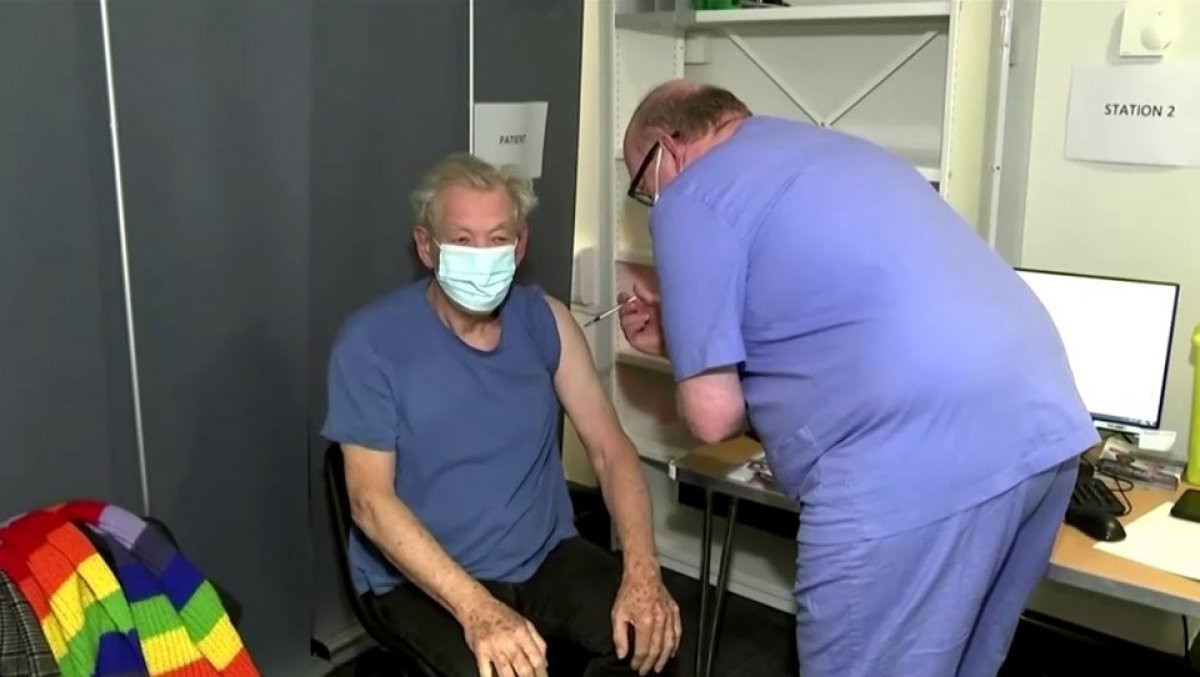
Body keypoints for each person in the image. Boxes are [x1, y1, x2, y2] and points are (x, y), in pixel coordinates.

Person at [617, 80, 1098, 677]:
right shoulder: (836, 151)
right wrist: (682, 339)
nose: (652, 201)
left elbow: (712, 416)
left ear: (669, 146)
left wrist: (691, 363)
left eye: (643, 184)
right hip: (1044, 430)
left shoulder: (691, 194)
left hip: (914, 458)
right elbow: (836, 318)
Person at [323, 153, 682, 677]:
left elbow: (610, 450)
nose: (482, 255)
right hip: (425, 578)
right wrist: (477, 609)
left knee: (650, 639)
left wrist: (643, 572)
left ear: (520, 245)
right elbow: (370, 502)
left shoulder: (546, 321)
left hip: (544, 557)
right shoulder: (371, 343)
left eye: (497, 238)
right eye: (462, 240)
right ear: (426, 246)